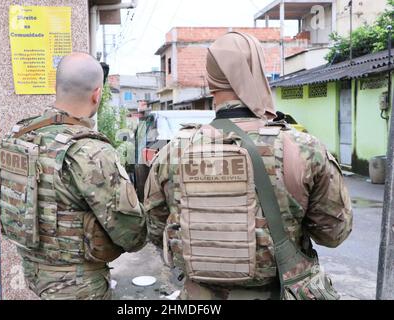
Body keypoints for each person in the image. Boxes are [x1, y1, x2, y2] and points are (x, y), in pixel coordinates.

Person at [144, 32, 353, 300]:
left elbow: (154, 229)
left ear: (210, 82)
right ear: (258, 71)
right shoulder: (302, 148)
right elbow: (334, 234)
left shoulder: (173, 152)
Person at [0, 52, 147, 300]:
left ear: (56, 87)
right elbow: (132, 234)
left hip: (35, 274)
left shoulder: (20, 136)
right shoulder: (91, 151)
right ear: (97, 94)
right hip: (79, 286)